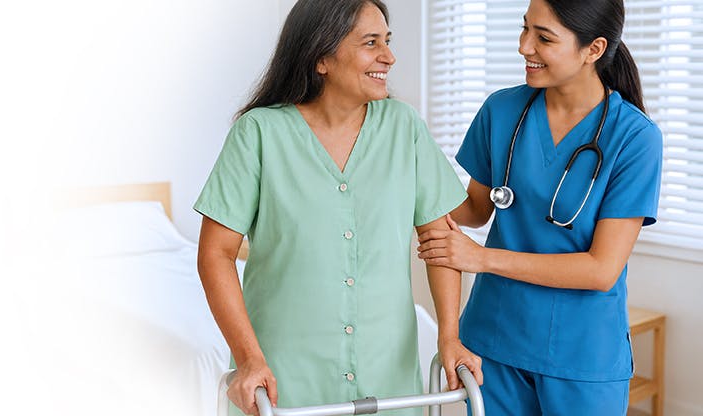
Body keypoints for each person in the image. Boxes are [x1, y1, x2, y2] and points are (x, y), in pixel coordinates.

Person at [195, 1, 483, 415]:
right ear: (321, 57)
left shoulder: (404, 127)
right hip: (283, 385)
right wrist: (248, 358)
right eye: (371, 43)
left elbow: (440, 239)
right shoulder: (258, 133)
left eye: (388, 41)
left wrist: (449, 336)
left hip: (390, 384)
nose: (389, 56)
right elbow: (216, 253)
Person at [416, 0, 663, 414]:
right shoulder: (502, 110)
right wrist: (411, 181)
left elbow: (601, 270)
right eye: (525, 29)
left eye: (544, 37)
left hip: (581, 355)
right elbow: (475, 208)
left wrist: (483, 259)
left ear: (594, 49)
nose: (524, 46)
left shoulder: (634, 138)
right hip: (494, 344)